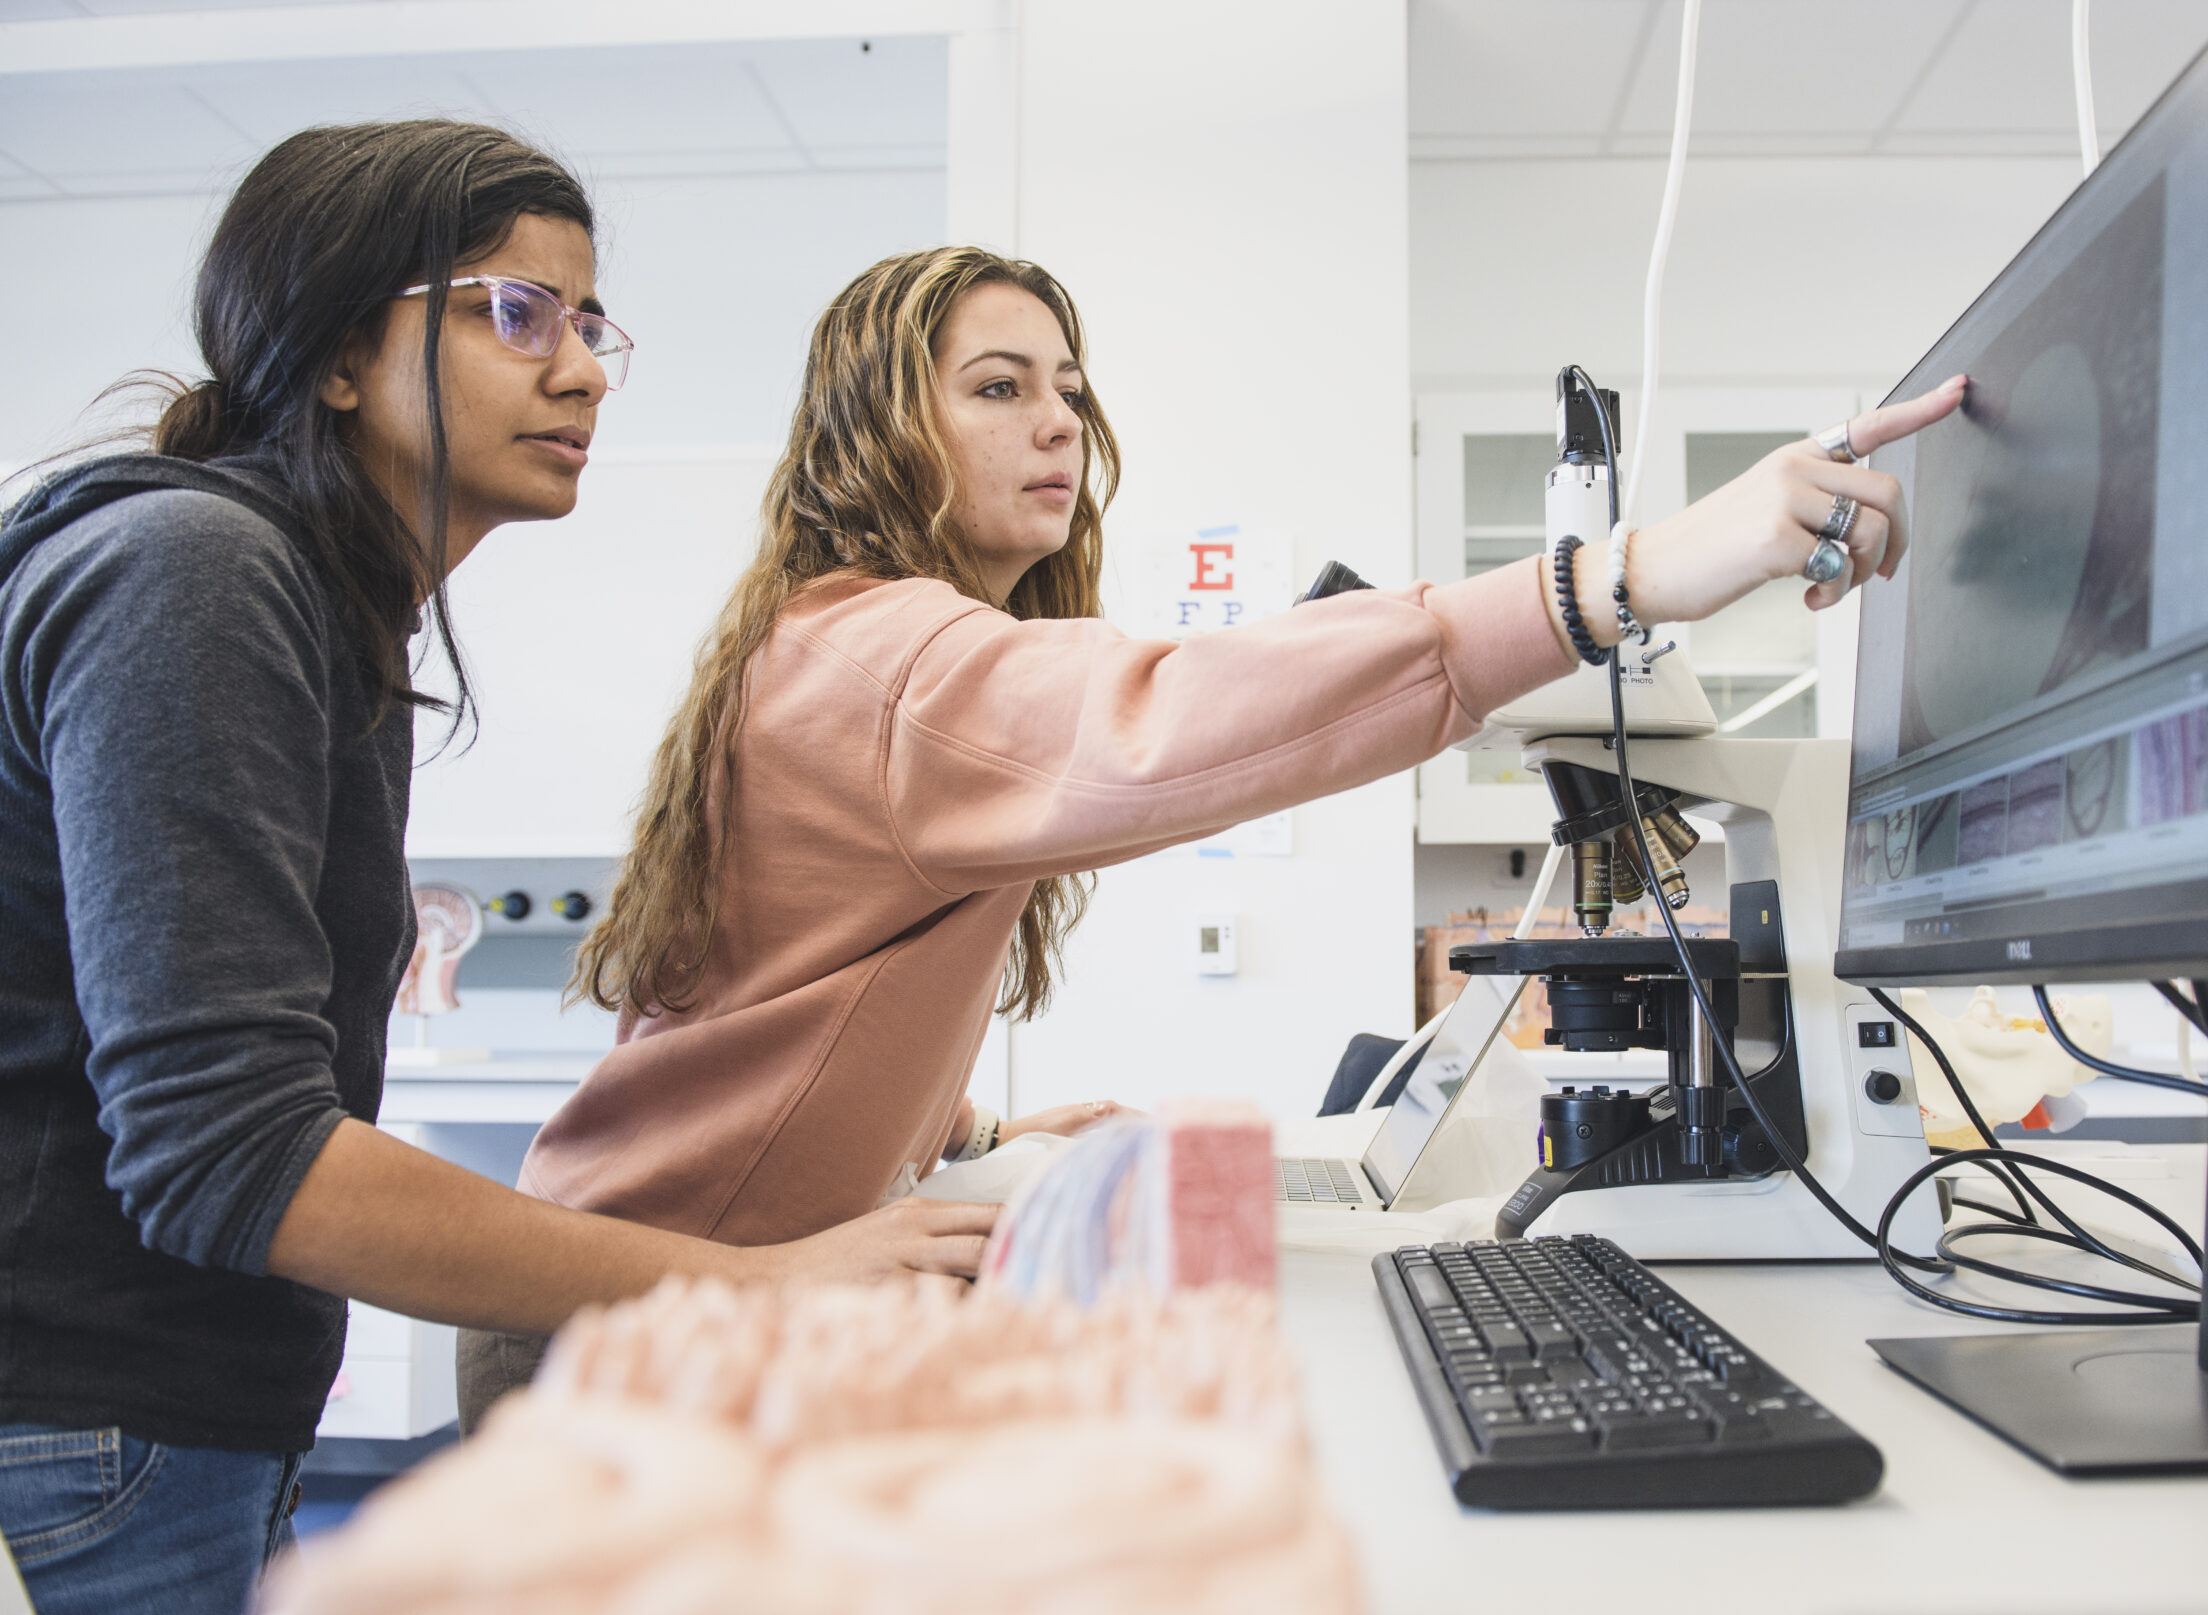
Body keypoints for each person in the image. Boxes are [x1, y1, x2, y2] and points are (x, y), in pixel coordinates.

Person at [459, 244, 1964, 1418]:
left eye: (1066, 389)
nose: (1057, 422)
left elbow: (781, 994)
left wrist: (955, 1129)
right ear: (875, 429)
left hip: (652, 1284)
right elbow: (1180, 713)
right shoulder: (888, 658)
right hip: (641, 1318)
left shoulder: (847, 642)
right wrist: (1621, 577)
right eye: (997, 388)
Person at [0, 124, 997, 1615]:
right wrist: (743, 1282)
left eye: (591, 323)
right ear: (340, 354)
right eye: (514, 312)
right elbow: (232, 1158)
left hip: (163, 1414)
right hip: (82, 1422)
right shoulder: (192, 575)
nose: (585, 370)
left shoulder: (311, 601)